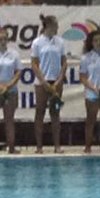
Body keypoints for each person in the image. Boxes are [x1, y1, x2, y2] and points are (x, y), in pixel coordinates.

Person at [31, 15, 67, 154]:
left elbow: (64, 62)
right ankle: (39, 146)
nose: (57, 28)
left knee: (55, 113)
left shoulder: (60, 42)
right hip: (42, 82)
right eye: (55, 25)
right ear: (49, 26)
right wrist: (43, 82)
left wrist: (59, 80)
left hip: (56, 82)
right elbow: (34, 64)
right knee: (40, 113)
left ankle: (57, 146)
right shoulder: (37, 43)